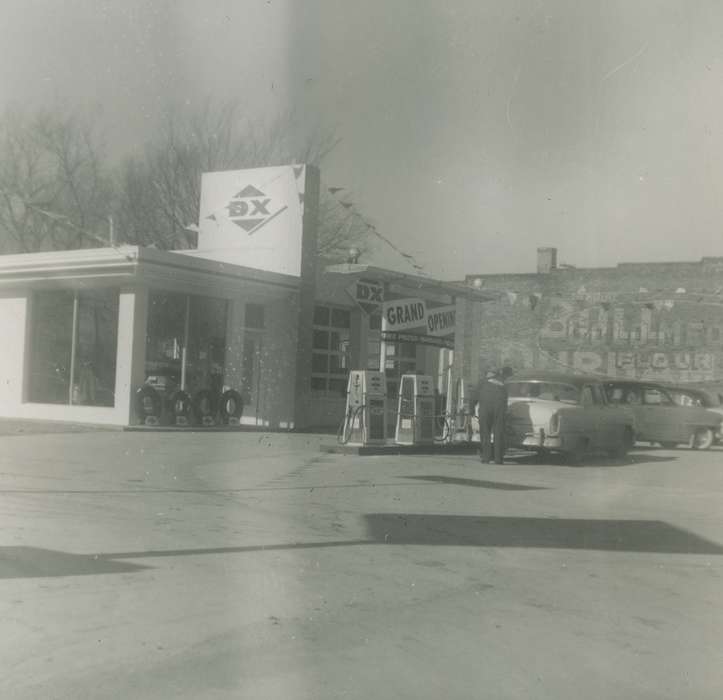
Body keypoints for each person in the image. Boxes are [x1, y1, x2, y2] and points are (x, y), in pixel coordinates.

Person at [477, 368, 508, 464]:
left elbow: (473, 396)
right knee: (498, 433)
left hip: (485, 410)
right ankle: (498, 459)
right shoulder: (502, 385)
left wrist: (470, 410)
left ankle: (486, 458)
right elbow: (505, 399)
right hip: (499, 409)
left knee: (485, 433)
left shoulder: (482, 383)